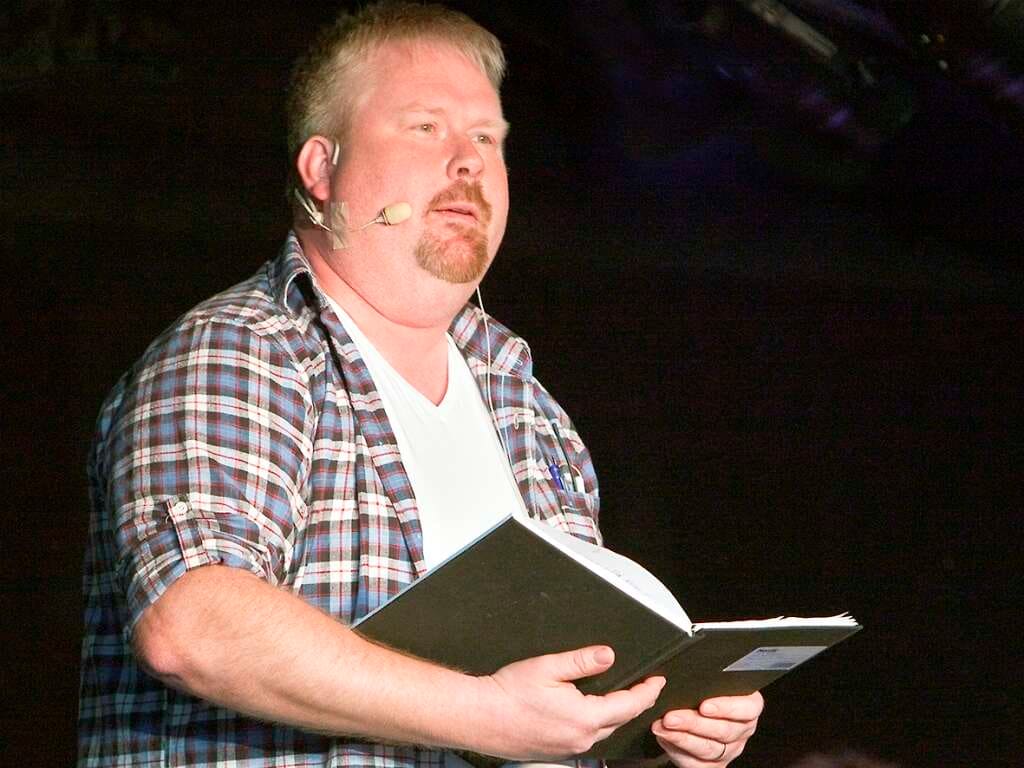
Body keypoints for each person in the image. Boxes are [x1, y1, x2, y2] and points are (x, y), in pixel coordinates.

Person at [78, 3, 763, 767]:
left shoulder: (528, 405)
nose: (468, 161)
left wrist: (663, 724)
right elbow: (193, 625)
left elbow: (559, 696)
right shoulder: (243, 348)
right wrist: (481, 715)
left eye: (487, 138)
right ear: (322, 170)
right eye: (426, 127)